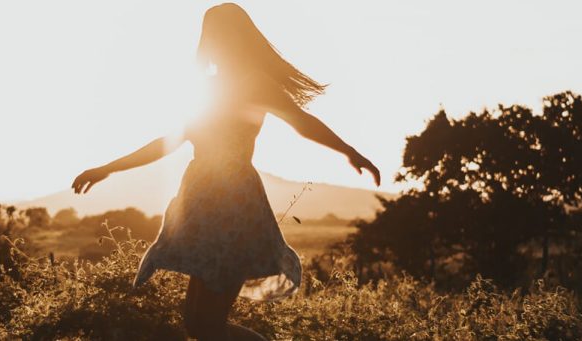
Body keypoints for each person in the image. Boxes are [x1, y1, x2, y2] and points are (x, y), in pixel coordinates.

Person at [72, 3, 380, 340]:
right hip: (200, 206)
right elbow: (168, 142)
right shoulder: (207, 86)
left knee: (208, 325)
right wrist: (108, 168)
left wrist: (349, 151)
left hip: (235, 207)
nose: (210, 43)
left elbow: (302, 123)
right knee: (196, 324)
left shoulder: (255, 84)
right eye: (209, 36)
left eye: (217, 36)